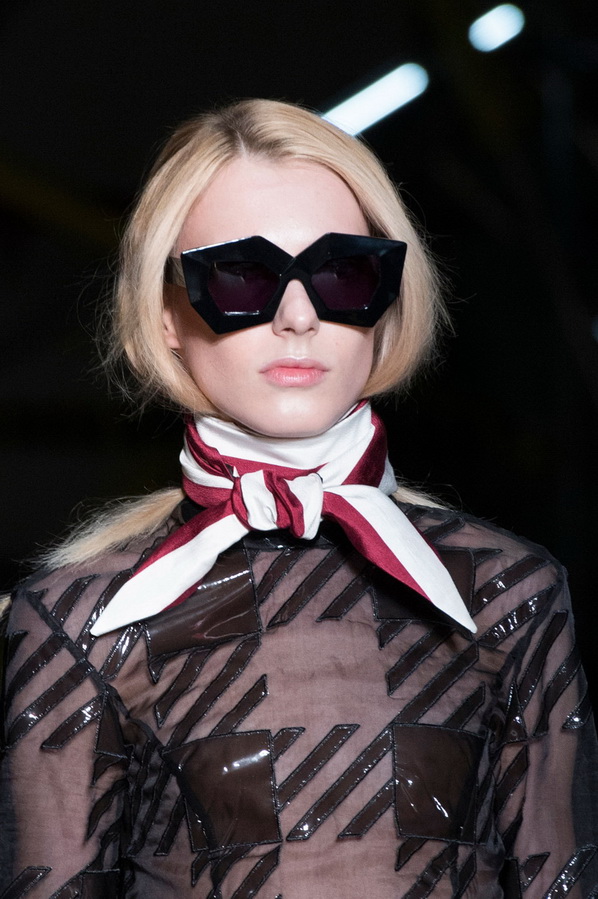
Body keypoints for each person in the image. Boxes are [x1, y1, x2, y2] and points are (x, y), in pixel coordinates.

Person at [1, 99, 596, 899]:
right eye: (240, 276)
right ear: (168, 312)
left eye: (343, 272)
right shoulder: (77, 622)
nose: (298, 316)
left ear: (387, 298)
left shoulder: (510, 593)